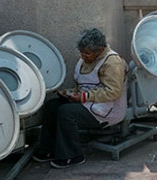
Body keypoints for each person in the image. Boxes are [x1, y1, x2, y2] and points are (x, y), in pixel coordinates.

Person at [34, 28, 127, 168]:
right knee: (52, 106)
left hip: (107, 110)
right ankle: (48, 150)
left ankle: (73, 155)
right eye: (81, 53)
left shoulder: (112, 62)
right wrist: (69, 93)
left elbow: (113, 92)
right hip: (87, 103)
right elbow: (82, 86)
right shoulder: (84, 60)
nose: (83, 56)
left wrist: (84, 96)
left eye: (87, 54)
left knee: (66, 112)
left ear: (99, 50)